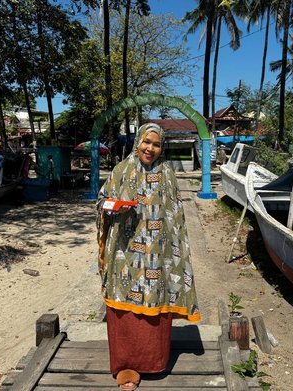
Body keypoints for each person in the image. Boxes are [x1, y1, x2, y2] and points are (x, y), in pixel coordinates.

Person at [96, 123, 200, 391]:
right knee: (123, 306)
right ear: (137, 142)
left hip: (159, 253)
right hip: (125, 251)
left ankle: (153, 361)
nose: (150, 148)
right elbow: (101, 201)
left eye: (156, 144)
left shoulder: (167, 174)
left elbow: (175, 217)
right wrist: (113, 209)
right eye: (146, 142)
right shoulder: (121, 171)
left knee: (155, 304)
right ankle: (126, 366)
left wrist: (174, 255)